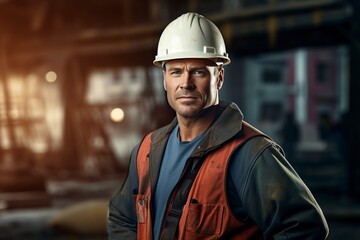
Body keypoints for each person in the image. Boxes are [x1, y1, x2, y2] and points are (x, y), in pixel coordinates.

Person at [107, 12, 329, 240]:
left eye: (199, 72)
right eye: (176, 72)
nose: (186, 83)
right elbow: (122, 218)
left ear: (219, 77)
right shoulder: (147, 150)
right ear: (164, 79)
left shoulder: (249, 154)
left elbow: (304, 227)